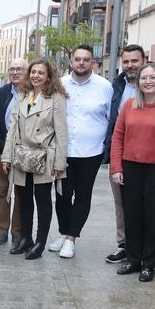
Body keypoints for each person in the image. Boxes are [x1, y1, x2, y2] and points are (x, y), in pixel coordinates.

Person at [110, 62, 155, 282]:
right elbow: (118, 137)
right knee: (132, 216)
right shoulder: (130, 105)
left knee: (154, 219)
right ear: (138, 82)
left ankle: (149, 264)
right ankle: (133, 260)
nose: (148, 82)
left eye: (152, 77)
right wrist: (116, 167)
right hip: (130, 167)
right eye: (144, 78)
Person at [2, 58, 67, 260]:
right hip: (21, 155)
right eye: (33, 72)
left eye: (41, 73)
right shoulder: (22, 94)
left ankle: (40, 241)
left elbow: (61, 131)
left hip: (44, 156)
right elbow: (12, 127)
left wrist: (59, 163)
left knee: (43, 200)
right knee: (24, 199)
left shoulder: (56, 97)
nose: (36, 76)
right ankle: (26, 239)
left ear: (49, 76)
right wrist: (6, 156)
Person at [52, 45, 112, 259]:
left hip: (91, 152)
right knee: (61, 196)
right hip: (63, 151)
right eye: (77, 59)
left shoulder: (104, 87)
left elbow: (110, 117)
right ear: (70, 62)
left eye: (86, 59)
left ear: (92, 63)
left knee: (82, 196)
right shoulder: (59, 85)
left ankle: (71, 239)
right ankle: (63, 232)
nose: (81, 63)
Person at [0, 58, 27, 247]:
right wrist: (3, 147)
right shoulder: (0, 94)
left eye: (19, 69)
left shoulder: (34, 95)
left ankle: (18, 232)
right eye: (12, 69)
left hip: (25, 153)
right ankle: (1, 230)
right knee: (2, 191)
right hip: (1, 151)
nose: (15, 72)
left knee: (21, 192)